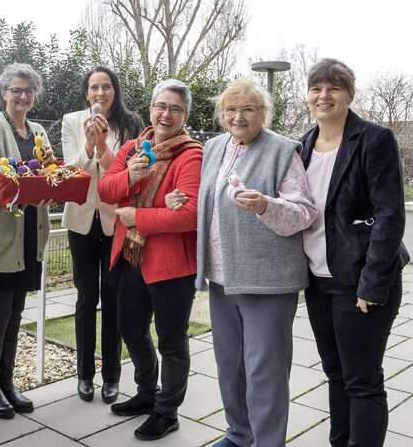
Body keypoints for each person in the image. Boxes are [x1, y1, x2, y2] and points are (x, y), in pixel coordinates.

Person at [196, 79, 317, 447]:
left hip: (267, 281)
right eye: (231, 109)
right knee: (229, 365)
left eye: (248, 108)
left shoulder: (283, 150)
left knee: (265, 372)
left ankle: (268, 442)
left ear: (264, 113)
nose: (238, 116)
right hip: (221, 277)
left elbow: (304, 212)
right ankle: (238, 433)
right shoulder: (214, 147)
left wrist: (266, 205)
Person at [300, 59, 408, 447]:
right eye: (316, 88)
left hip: (360, 282)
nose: (323, 96)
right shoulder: (303, 145)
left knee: (362, 382)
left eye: (333, 88)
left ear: (350, 95)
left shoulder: (375, 139)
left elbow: (390, 215)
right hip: (318, 282)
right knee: (336, 374)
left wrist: (372, 283)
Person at [98, 79, 202, 441]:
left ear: (185, 115)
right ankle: (146, 394)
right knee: (131, 330)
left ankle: (167, 410)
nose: (166, 114)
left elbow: (188, 215)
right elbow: (105, 189)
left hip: (172, 267)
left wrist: (137, 218)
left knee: (172, 341)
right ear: (151, 109)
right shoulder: (132, 148)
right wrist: (130, 174)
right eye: (161, 106)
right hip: (131, 258)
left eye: (175, 108)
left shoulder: (192, 155)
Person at [61, 66, 143, 403]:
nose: (100, 94)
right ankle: (84, 375)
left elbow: (126, 176)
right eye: (94, 87)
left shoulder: (130, 124)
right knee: (85, 297)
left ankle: (112, 375)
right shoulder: (71, 121)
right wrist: (90, 144)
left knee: (112, 296)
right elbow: (72, 172)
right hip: (80, 220)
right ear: (86, 92)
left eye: (106, 87)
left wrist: (106, 144)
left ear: (115, 90)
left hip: (115, 222)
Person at [0, 63, 54, 418]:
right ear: (4, 93)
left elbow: (47, 174)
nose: (22, 96)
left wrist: (51, 173)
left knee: (16, 313)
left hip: (30, 233)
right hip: (3, 234)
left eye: (28, 91)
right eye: (15, 90)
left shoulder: (37, 129)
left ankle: (7, 381)